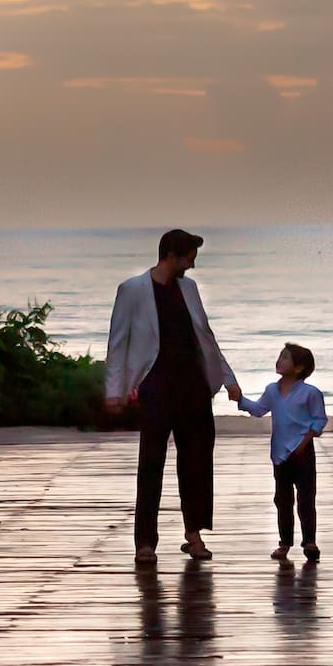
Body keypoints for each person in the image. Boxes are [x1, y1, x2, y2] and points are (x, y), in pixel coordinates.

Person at [105, 229, 240, 565]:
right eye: (190, 257)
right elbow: (117, 343)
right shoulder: (133, 290)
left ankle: (193, 535)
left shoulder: (189, 289)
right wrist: (115, 391)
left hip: (193, 387)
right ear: (172, 255)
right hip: (155, 387)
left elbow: (205, 338)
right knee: (151, 464)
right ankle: (145, 542)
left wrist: (228, 379)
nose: (192, 265)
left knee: (196, 462)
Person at [232, 343, 326, 562]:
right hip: (280, 455)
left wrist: (306, 441)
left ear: (299, 367)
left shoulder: (310, 393)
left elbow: (319, 420)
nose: (279, 360)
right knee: (282, 500)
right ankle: (284, 543)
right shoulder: (272, 390)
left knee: (305, 498)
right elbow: (258, 410)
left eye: (285, 357)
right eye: (280, 356)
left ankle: (309, 541)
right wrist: (240, 399)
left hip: (302, 452)